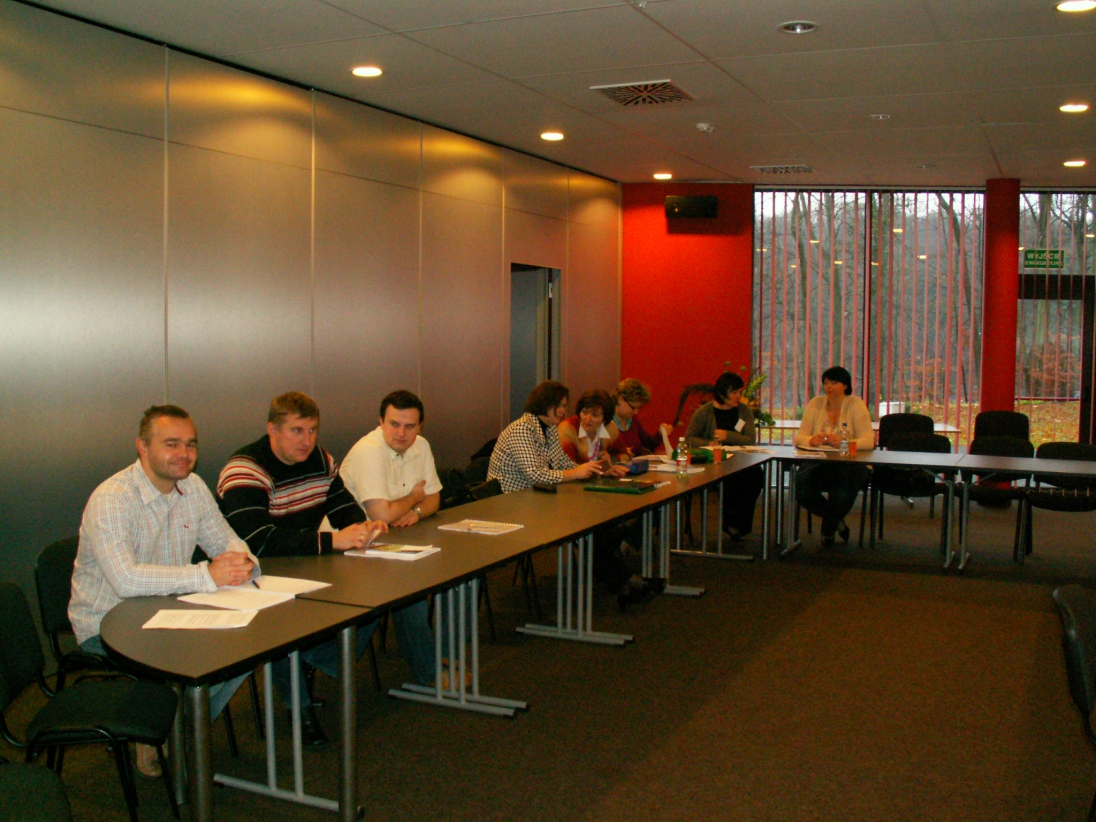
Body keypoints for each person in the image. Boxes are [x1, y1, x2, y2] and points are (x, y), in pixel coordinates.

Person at [69, 405, 257, 778]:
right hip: (109, 624)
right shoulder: (113, 498)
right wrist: (206, 574)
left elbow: (226, 541)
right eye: (171, 444)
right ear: (142, 447)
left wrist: (243, 561)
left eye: (191, 444)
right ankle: (168, 731)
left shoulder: (194, 486)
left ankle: (172, 730)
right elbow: (126, 580)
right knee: (193, 659)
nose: (184, 454)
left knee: (246, 648)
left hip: (172, 612)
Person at [218, 391, 413, 749]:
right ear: (272, 430)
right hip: (256, 576)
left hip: (308, 565)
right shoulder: (245, 470)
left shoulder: (321, 460)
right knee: (284, 627)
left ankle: (309, 658)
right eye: (296, 431)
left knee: (374, 598)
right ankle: (300, 708)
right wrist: (333, 541)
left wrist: (363, 526)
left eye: (312, 431)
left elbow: (342, 506)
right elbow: (257, 541)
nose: (306, 441)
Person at [339, 389, 470, 686]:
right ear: (380, 422)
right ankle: (429, 674)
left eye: (410, 426)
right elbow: (382, 514)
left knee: (460, 575)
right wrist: (413, 497)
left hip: (398, 539)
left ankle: (447, 657)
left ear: (420, 426)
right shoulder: (368, 451)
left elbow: (435, 498)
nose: (401, 433)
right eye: (394, 424)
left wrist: (417, 511)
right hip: (354, 549)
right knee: (411, 591)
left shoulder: (421, 446)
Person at [489, 382, 654, 608]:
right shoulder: (522, 430)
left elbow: (562, 462)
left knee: (593, 532)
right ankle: (627, 582)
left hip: (537, 500)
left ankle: (625, 583)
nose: (562, 411)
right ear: (543, 404)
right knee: (590, 531)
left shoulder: (548, 428)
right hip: (512, 506)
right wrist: (577, 472)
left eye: (564, 406)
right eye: (558, 405)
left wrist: (598, 470)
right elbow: (535, 475)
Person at [793, 366, 874, 546]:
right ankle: (837, 522)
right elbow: (799, 438)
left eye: (834, 382)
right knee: (801, 488)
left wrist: (843, 444)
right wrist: (812, 440)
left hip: (851, 462)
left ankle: (828, 530)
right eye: (826, 383)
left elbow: (868, 441)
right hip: (820, 462)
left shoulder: (855, 404)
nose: (829, 387)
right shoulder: (816, 403)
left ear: (845, 385)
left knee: (842, 492)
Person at [685, 371, 765, 541]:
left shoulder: (744, 411)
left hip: (740, 460)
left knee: (757, 476)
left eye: (740, 392)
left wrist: (728, 436)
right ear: (722, 393)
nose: (738, 397)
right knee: (731, 480)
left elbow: (750, 439)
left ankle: (739, 524)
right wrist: (708, 444)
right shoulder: (705, 412)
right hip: (715, 461)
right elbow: (690, 438)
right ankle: (731, 523)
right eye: (734, 392)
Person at [557, 389, 628, 467]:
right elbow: (565, 467)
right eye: (584, 412)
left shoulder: (610, 427)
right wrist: (599, 468)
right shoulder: (567, 429)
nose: (588, 419)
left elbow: (624, 455)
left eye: (595, 415)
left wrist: (610, 460)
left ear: (604, 419)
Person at [610, 378, 672, 457]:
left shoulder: (633, 421)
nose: (636, 412)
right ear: (620, 399)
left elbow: (648, 445)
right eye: (633, 408)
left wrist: (660, 434)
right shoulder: (606, 422)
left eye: (639, 408)